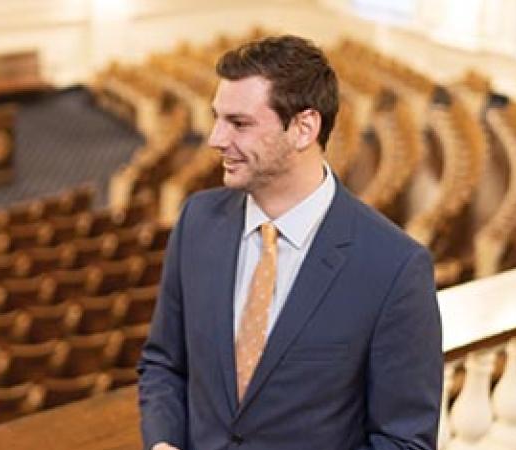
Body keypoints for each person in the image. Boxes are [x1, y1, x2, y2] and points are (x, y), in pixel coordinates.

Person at [137, 35, 442, 450]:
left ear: (303, 128)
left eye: (239, 123)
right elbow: (164, 365)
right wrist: (163, 443)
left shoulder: (394, 267)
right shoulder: (197, 222)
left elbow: (404, 442)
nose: (215, 139)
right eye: (217, 118)